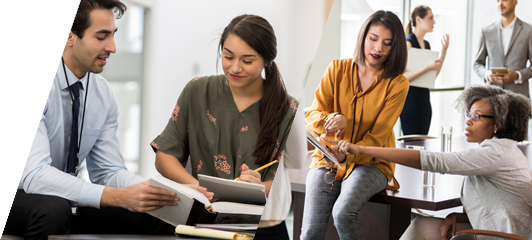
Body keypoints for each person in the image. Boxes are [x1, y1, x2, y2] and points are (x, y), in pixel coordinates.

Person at [3, 1, 211, 239]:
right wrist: (117, 197)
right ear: (69, 36)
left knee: (158, 212)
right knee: (52, 210)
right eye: (101, 36)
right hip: (17, 194)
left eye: (113, 35)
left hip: (67, 198)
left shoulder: (102, 93)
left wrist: (158, 192)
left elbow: (108, 172)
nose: (112, 47)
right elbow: (34, 175)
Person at [149, 14, 302, 239]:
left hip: (264, 228)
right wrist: (196, 187)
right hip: (205, 223)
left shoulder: (288, 108)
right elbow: (164, 155)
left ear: (267, 60)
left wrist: (257, 189)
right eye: (228, 56)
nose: (235, 68)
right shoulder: (197, 91)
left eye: (247, 61)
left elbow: (293, 167)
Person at [329, 85, 532, 239]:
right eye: (468, 114)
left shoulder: (496, 153)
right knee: (420, 226)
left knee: (420, 229)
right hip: (496, 231)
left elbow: (435, 161)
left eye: (477, 117)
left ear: (498, 124)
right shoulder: (502, 149)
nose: (468, 120)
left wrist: (360, 149)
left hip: (503, 237)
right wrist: (459, 217)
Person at [301, 10, 409, 240]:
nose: (378, 48)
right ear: (363, 37)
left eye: (387, 43)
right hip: (327, 158)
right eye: (373, 39)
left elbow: (378, 135)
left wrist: (347, 154)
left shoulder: (398, 84)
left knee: (343, 213)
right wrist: (336, 119)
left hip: (372, 161)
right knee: (310, 232)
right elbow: (312, 114)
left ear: (395, 48)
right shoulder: (337, 68)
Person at [400, 5, 450, 135]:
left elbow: (431, 77)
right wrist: (428, 67)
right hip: (410, 103)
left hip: (424, 102)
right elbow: (404, 77)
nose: (434, 22)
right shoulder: (407, 43)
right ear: (419, 19)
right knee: (410, 144)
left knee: (423, 144)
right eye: (430, 18)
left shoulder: (427, 44)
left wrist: (443, 54)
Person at [473, 0, 532, 98]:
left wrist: (517, 75)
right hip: (492, 97)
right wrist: (487, 75)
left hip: (519, 98)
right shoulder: (486, 31)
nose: (500, 3)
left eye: (504, 0)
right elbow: (477, 64)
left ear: (515, 2)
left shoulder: (528, 31)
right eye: (497, 0)